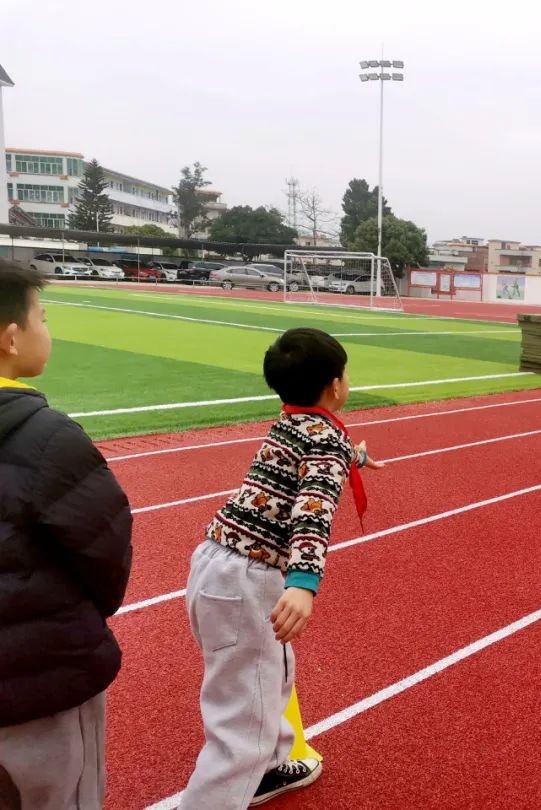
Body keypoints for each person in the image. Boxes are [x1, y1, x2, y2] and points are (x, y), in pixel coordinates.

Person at [179, 328, 385, 809]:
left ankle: (271, 767)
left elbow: (312, 456)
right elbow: (311, 511)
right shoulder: (325, 440)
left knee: (275, 671)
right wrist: (304, 584)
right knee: (241, 728)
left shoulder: (293, 421)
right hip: (247, 578)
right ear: (336, 385)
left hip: (215, 563)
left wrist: (351, 457)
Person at [0, 260, 133, 810]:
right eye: (43, 317)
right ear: (11, 337)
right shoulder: (48, 437)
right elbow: (105, 550)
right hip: (41, 682)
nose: (45, 330)